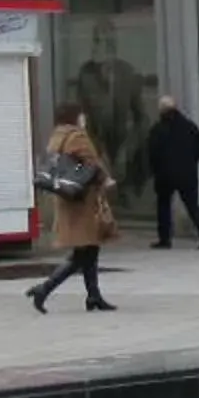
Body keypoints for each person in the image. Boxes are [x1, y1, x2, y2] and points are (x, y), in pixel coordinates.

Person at [30, 102, 118, 314]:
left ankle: (94, 296)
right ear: (75, 117)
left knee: (90, 247)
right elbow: (92, 163)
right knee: (82, 253)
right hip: (84, 201)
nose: (84, 119)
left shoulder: (57, 136)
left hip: (67, 198)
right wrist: (106, 180)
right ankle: (44, 288)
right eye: (82, 116)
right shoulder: (78, 136)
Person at [144, 95, 199, 250]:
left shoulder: (158, 129)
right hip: (187, 173)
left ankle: (165, 238)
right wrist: (192, 161)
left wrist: (155, 169)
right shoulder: (189, 126)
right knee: (192, 205)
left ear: (161, 110)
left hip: (165, 174)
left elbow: (151, 152)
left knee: (164, 206)